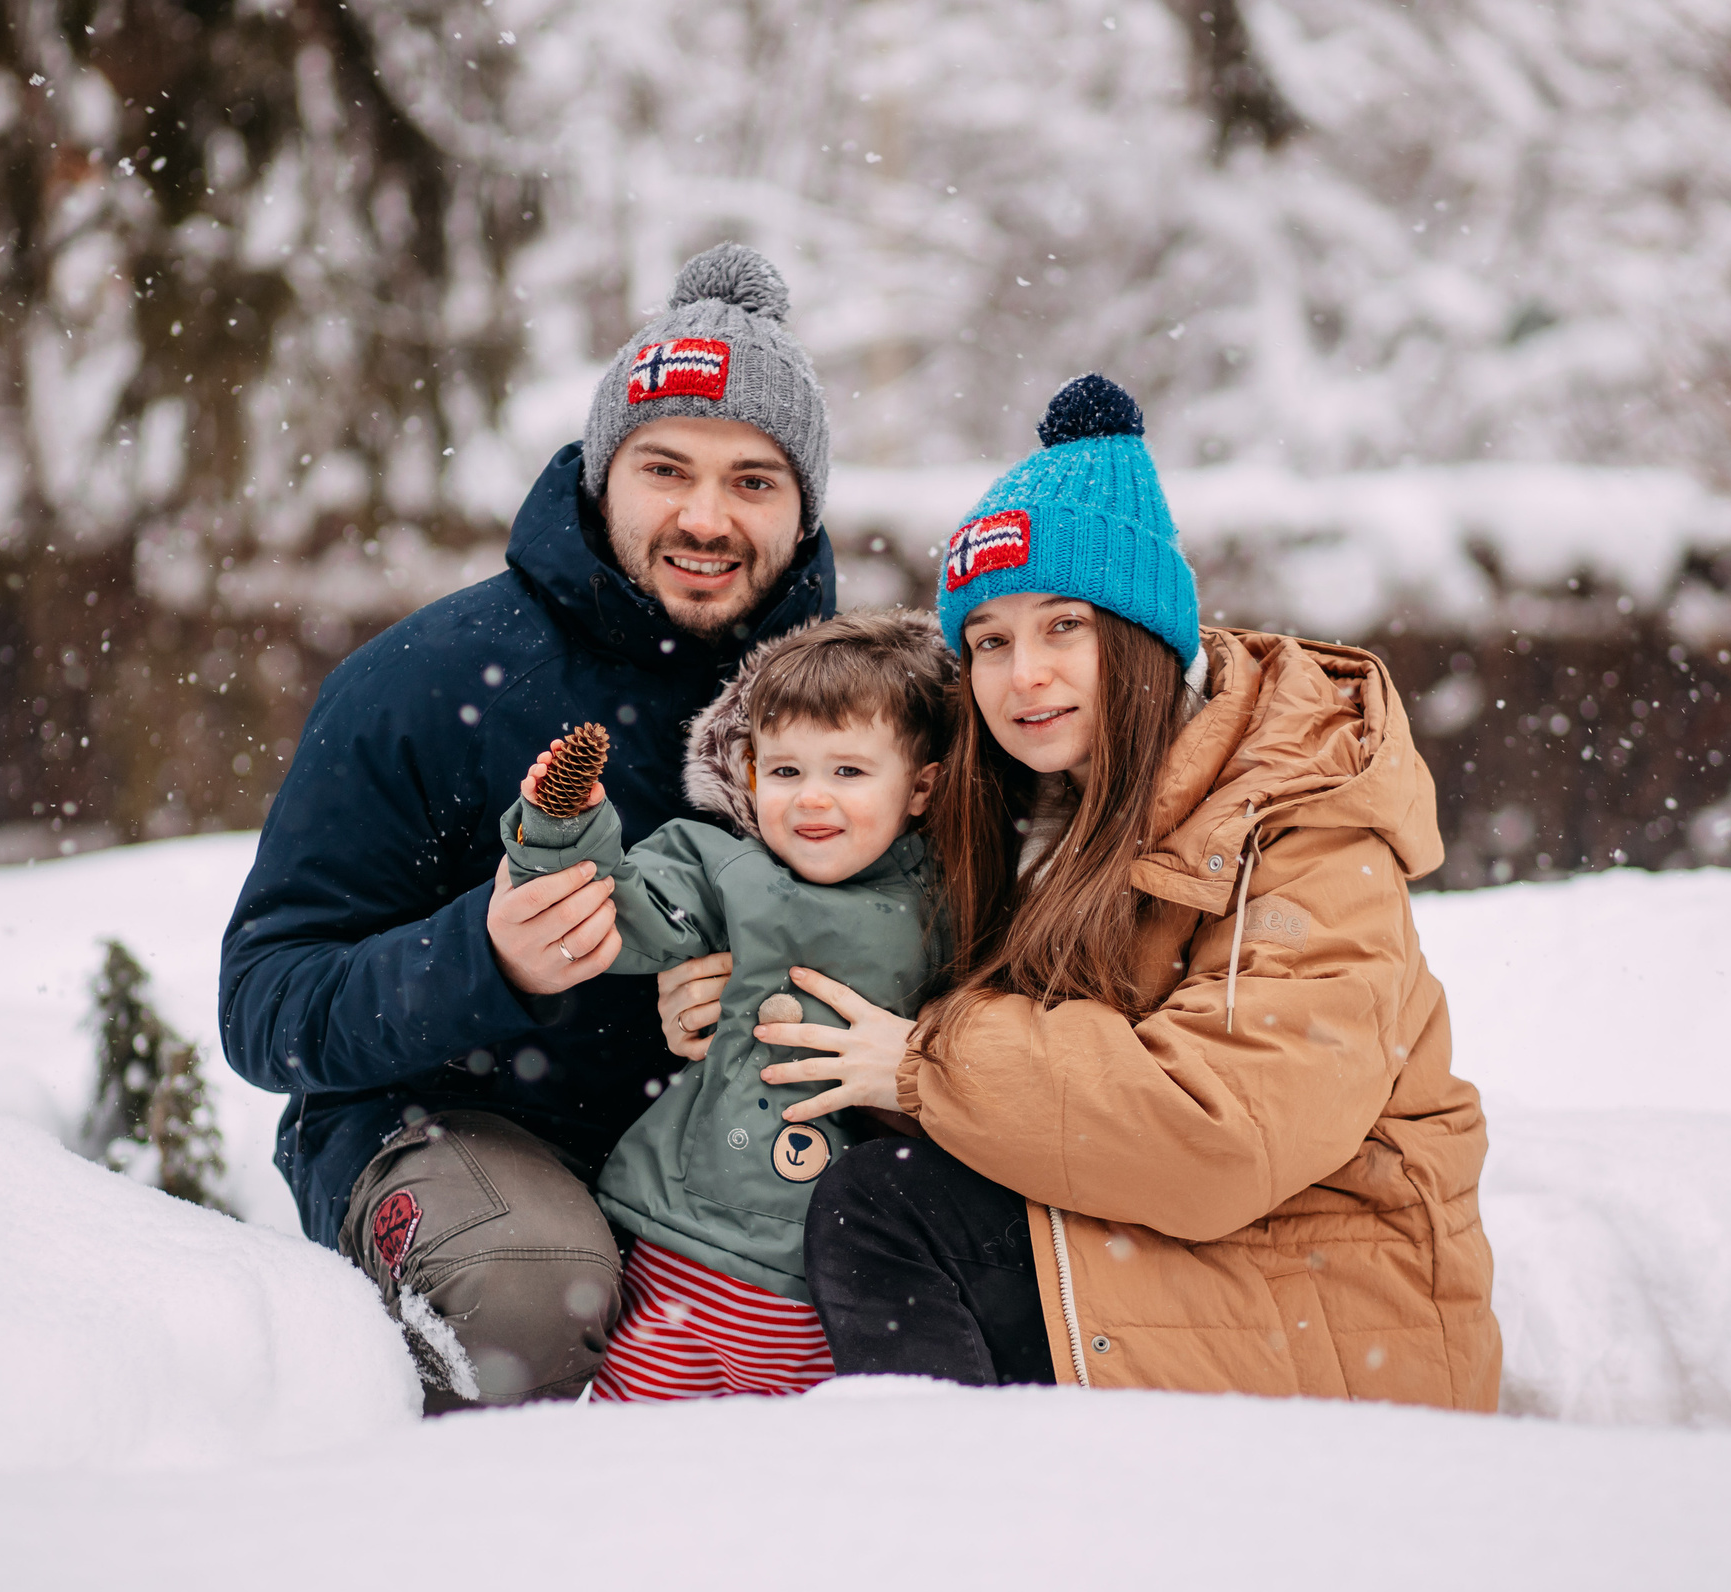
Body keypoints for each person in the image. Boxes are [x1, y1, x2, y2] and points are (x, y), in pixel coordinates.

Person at [676, 373, 1503, 1406]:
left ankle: (954, 1517)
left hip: (1320, 1295)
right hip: (1161, 1246)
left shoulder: (1302, 820)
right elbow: (889, 973)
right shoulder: (1028, 806)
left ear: (1144, 633)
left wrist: (930, 1064)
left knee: (881, 1209)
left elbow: (1224, 1133)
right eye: (990, 640)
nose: (1024, 674)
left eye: (1063, 626)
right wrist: (742, 984)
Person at [219, 243, 836, 1409]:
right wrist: (483, 957)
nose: (707, 517)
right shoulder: (428, 681)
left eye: (754, 480)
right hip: (463, 1131)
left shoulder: (862, 708)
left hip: (745, 1146)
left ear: (804, 508)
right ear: (603, 474)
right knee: (531, 1296)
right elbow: (264, 1006)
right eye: (667, 469)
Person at [503, 610, 953, 1401]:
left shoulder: (947, 908)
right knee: (635, 1456)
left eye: (849, 772)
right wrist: (564, 826)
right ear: (749, 776)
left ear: (920, 785)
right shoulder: (726, 871)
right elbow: (627, 911)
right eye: (785, 772)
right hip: (680, 1252)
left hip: (825, 1286)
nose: (812, 799)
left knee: (783, 1492)